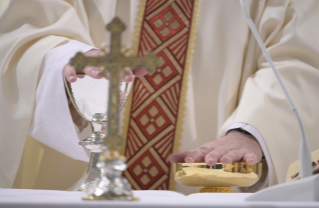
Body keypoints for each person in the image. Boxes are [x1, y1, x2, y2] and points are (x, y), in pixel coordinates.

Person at [1, 0, 319, 194]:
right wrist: (65, 65)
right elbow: (21, 26)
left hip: (212, 193)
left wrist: (252, 132)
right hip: (75, 187)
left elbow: (303, 55)